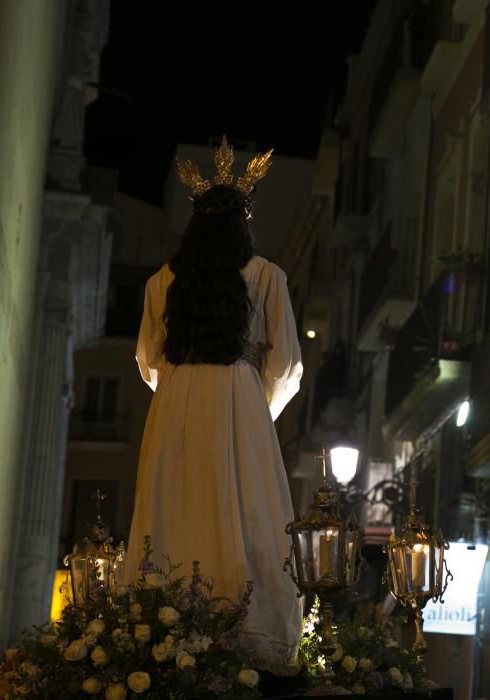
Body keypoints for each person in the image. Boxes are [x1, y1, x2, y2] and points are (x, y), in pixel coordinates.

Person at [125, 137, 304, 680]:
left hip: (176, 405)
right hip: (240, 401)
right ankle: (247, 629)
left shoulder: (162, 281)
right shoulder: (267, 276)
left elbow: (147, 359)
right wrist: (252, 410)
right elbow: (288, 365)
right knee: (247, 509)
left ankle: (159, 623)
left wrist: (181, 396)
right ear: (243, 224)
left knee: (174, 504)